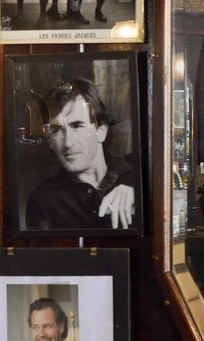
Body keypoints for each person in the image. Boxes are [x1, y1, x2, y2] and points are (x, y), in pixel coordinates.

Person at [25, 78, 139, 231]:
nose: (68, 142)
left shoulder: (138, 173)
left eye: (77, 126)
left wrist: (140, 197)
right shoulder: (42, 200)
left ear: (101, 131)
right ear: (50, 141)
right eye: (57, 130)